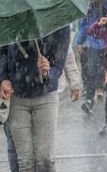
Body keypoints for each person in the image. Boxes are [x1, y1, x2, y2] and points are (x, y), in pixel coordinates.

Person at [0, 27, 70, 172]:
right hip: (16, 95)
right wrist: (3, 78)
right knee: (25, 162)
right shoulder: (11, 18)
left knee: (46, 159)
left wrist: (48, 72)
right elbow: (2, 51)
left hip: (46, 95)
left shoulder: (59, 21)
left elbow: (59, 62)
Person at [76, 0, 107, 114]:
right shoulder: (89, 7)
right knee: (91, 71)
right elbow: (84, 25)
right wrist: (79, 41)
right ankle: (89, 100)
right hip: (94, 44)